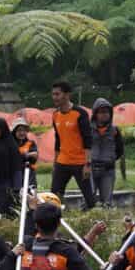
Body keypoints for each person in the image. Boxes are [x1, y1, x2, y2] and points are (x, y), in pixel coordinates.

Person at [19, 203, 101, 270]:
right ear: (58, 224)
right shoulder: (66, 251)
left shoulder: (24, 245)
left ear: (36, 225)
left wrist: (92, 234)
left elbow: (27, 230)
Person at [50, 81, 96, 209]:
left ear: (67, 95)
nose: (54, 97)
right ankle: (55, 222)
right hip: (62, 162)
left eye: (57, 94)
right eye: (53, 94)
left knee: (89, 199)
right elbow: (58, 139)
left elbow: (88, 140)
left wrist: (87, 164)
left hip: (80, 163)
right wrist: (55, 163)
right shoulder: (55, 115)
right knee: (54, 197)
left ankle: (93, 221)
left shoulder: (80, 113)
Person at [89, 98, 124, 207]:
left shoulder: (115, 130)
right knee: (89, 199)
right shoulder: (88, 129)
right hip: (91, 169)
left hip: (108, 170)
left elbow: (120, 149)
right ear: (95, 114)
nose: (104, 115)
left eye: (106, 112)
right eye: (101, 112)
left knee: (107, 202)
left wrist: (110, 159)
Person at [12, 118, 39, 189]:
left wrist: (21, 155)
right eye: (19, 130)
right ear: (14, 131)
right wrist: (26, 155)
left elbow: (34, 155)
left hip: (29, 177)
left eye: (24, 130)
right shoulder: (11, 144)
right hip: (15, 177)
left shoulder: (30, 143)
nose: (22, 133)